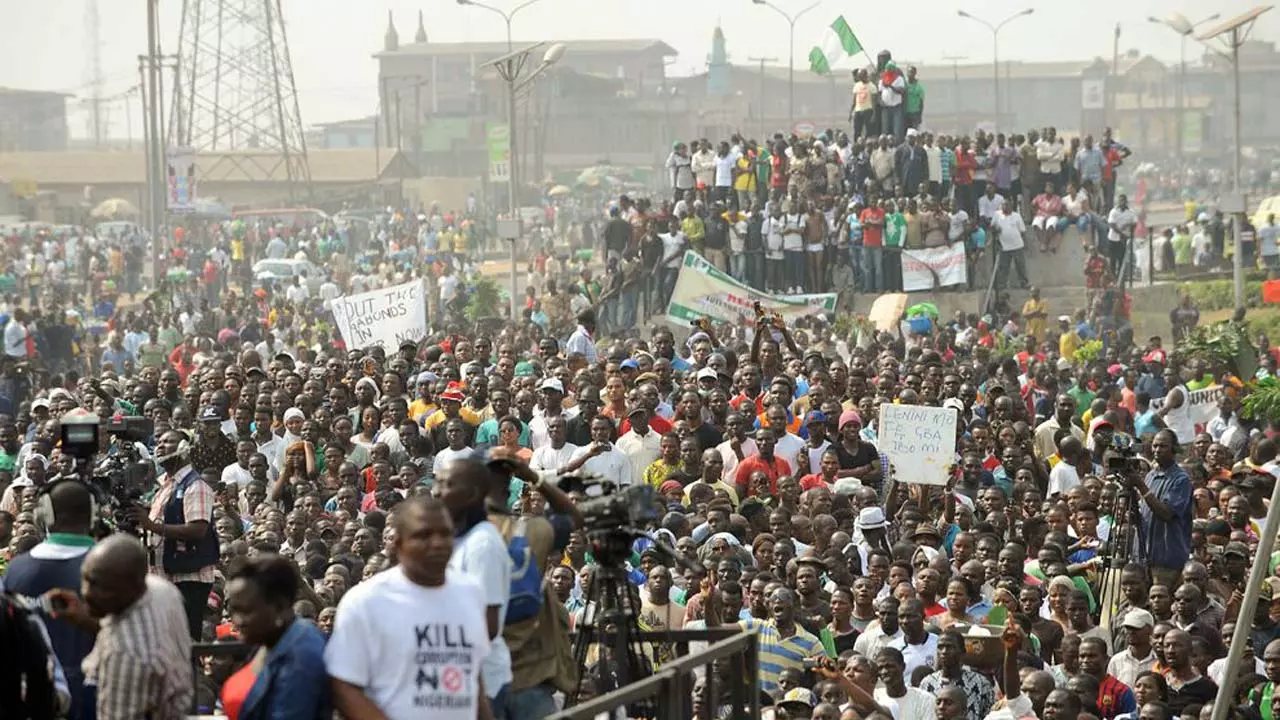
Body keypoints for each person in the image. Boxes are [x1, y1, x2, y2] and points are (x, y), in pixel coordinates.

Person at [325, 496, 494, 720]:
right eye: (423, 535)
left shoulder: (471, 593)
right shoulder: (366, 602)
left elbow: (473, 676)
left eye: (445, 534)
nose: (437, 543)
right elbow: (342, 687)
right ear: (398, 544)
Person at [50, 535, 194, 720]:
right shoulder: (162, 590)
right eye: (86, 579)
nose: (86, 593)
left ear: (133, 585)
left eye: (100, 586)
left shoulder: (126, 655)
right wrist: (86, 620)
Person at [0, 478, 97, 719]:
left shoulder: (16, 569)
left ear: (46, 515)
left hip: (34, 696)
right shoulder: (113, 564)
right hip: (97, 693)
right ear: (93, 513)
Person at [436, 457, 513, 715]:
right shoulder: (458, 540)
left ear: (471, 495)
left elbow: (487, 626)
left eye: (446, 485)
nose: (437, 491)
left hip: (483, 685)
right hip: (455, 681)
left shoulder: (482, 545)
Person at [134, 428, 220, 640]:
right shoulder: (164, 485)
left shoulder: (196, 485)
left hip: (188, 578)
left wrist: (153, 526)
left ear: (183, 449)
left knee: (184, 641)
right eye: (159, 442)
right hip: (165, 575)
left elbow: (198, 529)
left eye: (168, 442)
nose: (160, 446)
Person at [221, 554, 330, 720]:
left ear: (279, 606)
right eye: (234, 610)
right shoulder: (270, 641)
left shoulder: (302, 654)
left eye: (246, 611)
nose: (237, 620)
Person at [1135, 429, 1193, 589]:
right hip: (1145, 557)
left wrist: (1140, 486)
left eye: (1163, 446)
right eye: (1154, 446)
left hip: (1167, 560)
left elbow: (1167, 513)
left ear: (1174, 449)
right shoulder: (1150, 476)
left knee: (1161, 603)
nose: (1157, 450)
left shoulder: (1181, 479)